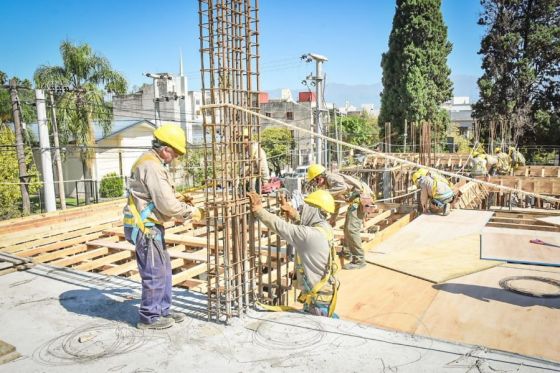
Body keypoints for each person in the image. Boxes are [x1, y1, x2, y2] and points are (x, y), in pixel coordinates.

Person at [123, 124, 202, 330]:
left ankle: (162, 310)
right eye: (174, 154)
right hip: (146, 228)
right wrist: (190, 211)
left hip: (152, 226)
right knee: (154, 272)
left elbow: (158, 197)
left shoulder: (151, 162)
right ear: (165, 149)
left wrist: (177, 200)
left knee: (164, 270)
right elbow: (166, 204)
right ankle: (149, 317)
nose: (174, 158)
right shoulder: (153, 167)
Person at [247, 190, 339, 317]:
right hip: (323, 294)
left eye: (306, 207)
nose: (303, 210)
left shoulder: (309, 235)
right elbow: (305, 227)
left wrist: (259, 210)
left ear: (315, 210)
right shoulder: (324, 229)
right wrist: (294, 215)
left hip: (317, 301)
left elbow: (281, 226)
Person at [306, 164, 373, 270]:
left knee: (351, 229)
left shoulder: (331, 177)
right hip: (357, 200)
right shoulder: (330, 184)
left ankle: (359, 260)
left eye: (315, 181)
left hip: (362, 199)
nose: (316, 184)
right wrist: (333, 218)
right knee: (347, 228)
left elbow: (342, 187)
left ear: (319, 177)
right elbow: (336, 202)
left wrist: (326, 193)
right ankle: (348, 252)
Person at [242, 128, 270, 193]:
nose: (242, 141)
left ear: (249, 139)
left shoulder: (257, 150)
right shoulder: (243, 151)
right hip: (245, 180)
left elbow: (263, 166)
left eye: (244, 138)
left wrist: (265, 181)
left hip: (254, 181)